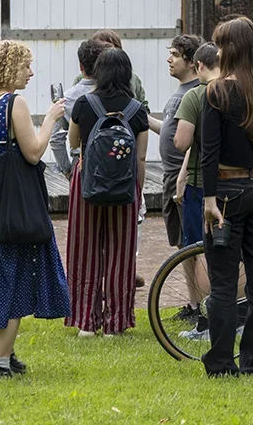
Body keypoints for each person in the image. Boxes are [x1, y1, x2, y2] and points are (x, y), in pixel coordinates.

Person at [0, 40, 70, 378]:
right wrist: (52, 118)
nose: (31, 72)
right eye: (26, 66)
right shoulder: (15, 103)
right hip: (13, 196)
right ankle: (1, 362)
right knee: (16, 272)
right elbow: (34, 152)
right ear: (12, 69)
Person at [201, 16, 253, 377]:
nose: (217, 50)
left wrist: (208, 200)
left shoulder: (217, 92)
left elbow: (209, 152)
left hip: (227, 191)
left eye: (221, 44)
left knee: (223, 283)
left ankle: (221, 362)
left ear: (231, 48)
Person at [65, 48, 150, 336]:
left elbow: (75, 143)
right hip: (124, 186)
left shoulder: (84, 103)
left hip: (87, 180)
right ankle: (116, 322)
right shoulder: (138, 110)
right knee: (120, 253)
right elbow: (140, 158)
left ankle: (86, 322)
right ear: (127, 73)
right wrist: (137, 194)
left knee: (84, 249)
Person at [172, 42, 220, 333]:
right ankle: (237, 317)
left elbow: (181, 142)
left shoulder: (195, 95)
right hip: (235, 182)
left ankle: (207, 320)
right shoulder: (237, 92)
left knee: (201, 252)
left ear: (199, 66)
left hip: (201, 183)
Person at [150, 35, 203, 253]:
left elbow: (195, 139)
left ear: (191, 62)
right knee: (182, 247)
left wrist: (183, 176)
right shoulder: (181, 92)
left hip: (185, 178)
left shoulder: (194, 92)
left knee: (194, 246)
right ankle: (194, 289)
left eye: (174, 55)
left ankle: (204, 289)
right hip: (171, 176)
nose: (168, 59)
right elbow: (172, 132)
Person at [48, 39, 107, 177]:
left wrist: (67, 170)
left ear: (81, 66)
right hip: (114, 162)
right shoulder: (116, 94)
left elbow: (56, 138)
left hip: (81, 165)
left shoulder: (66, 99)